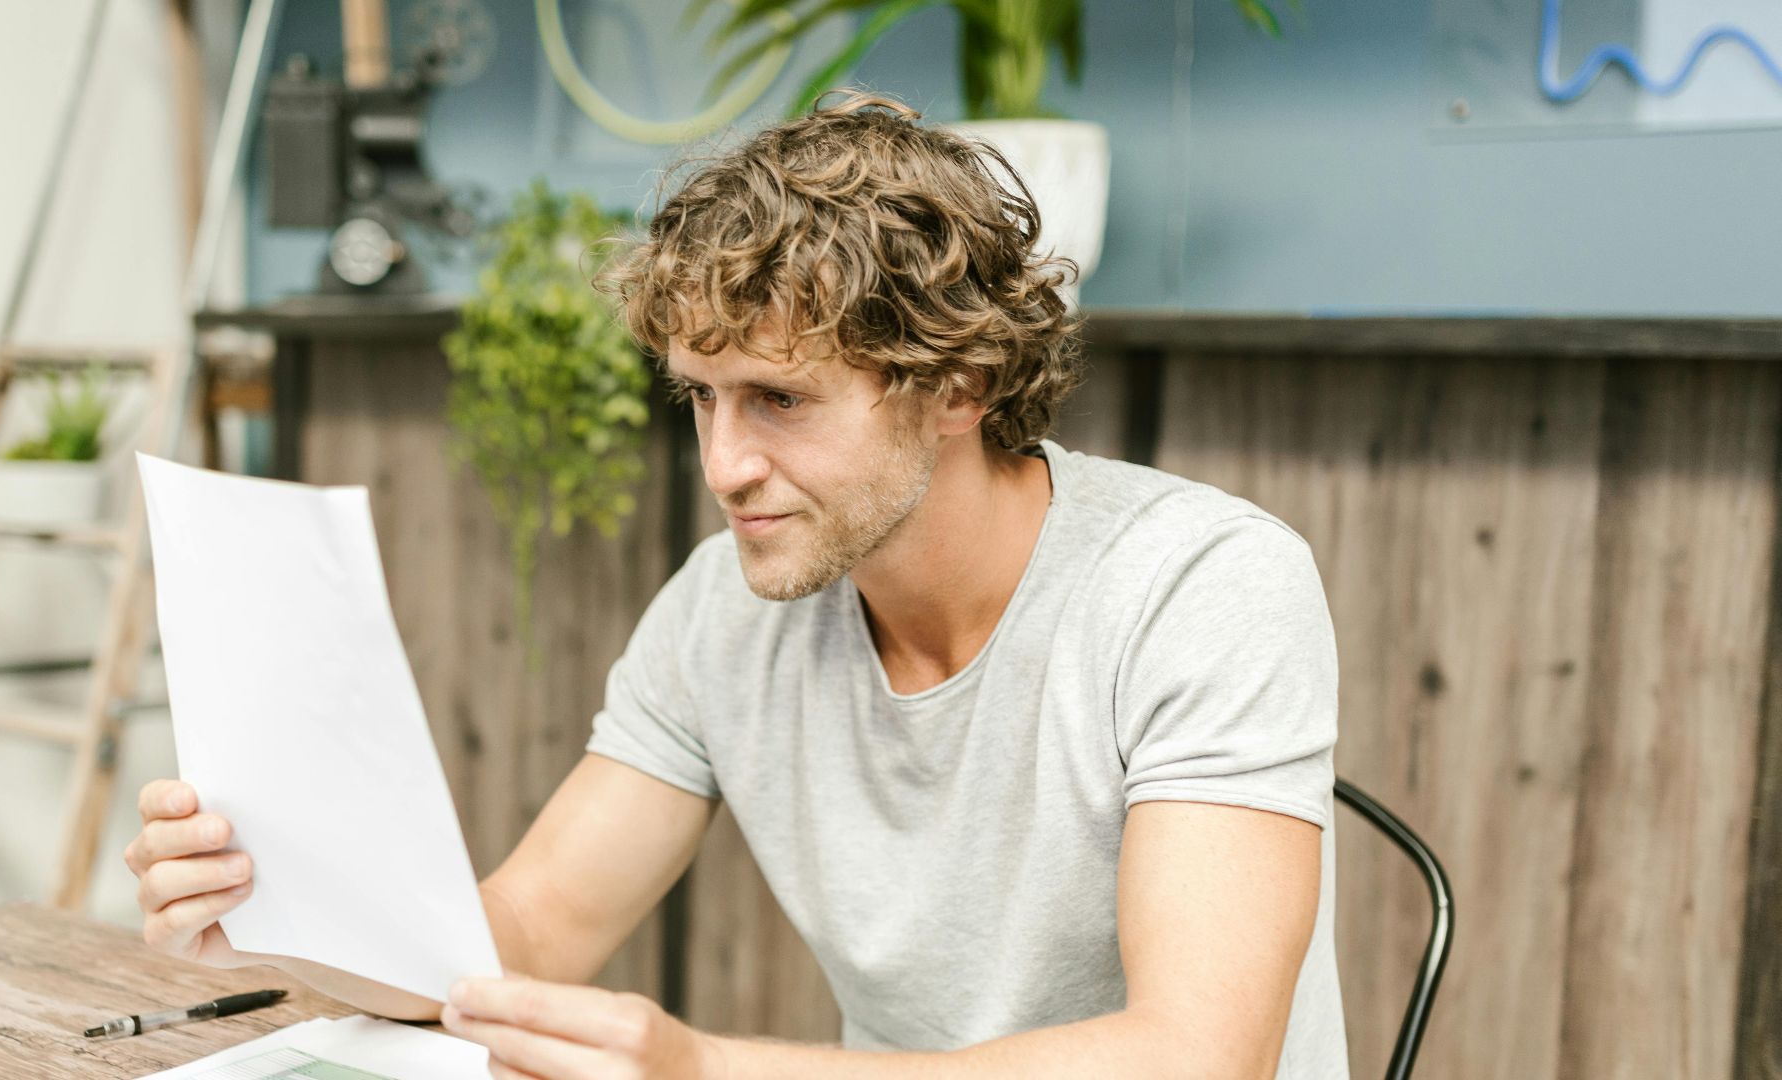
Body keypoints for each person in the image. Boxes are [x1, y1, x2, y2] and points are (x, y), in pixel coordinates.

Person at [124, 91, 1347, 1079]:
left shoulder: (1203, 585)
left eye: (780, 399)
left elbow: (1197, 1055)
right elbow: (531, 931)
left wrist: (708, 1074)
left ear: (955, 390)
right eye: (700, 398)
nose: (724, 465)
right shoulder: (727, 608)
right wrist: (294, 915)